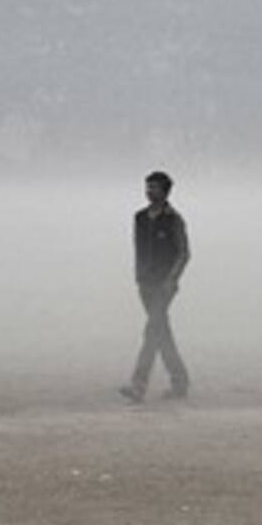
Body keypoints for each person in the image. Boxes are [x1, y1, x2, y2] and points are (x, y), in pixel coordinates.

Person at [118, 169, 190, 404]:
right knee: (161, 332)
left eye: (154, 187)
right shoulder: (139, 217)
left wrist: (172, 279)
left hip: (165, 285)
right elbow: (138, 249)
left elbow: (184, 253)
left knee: (151, 332)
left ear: (165, 191)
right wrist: (138, 275)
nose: (149, 192)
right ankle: (180, 381)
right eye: (147, 187)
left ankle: (138, 385)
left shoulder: (174, 219)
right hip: (145, 283)